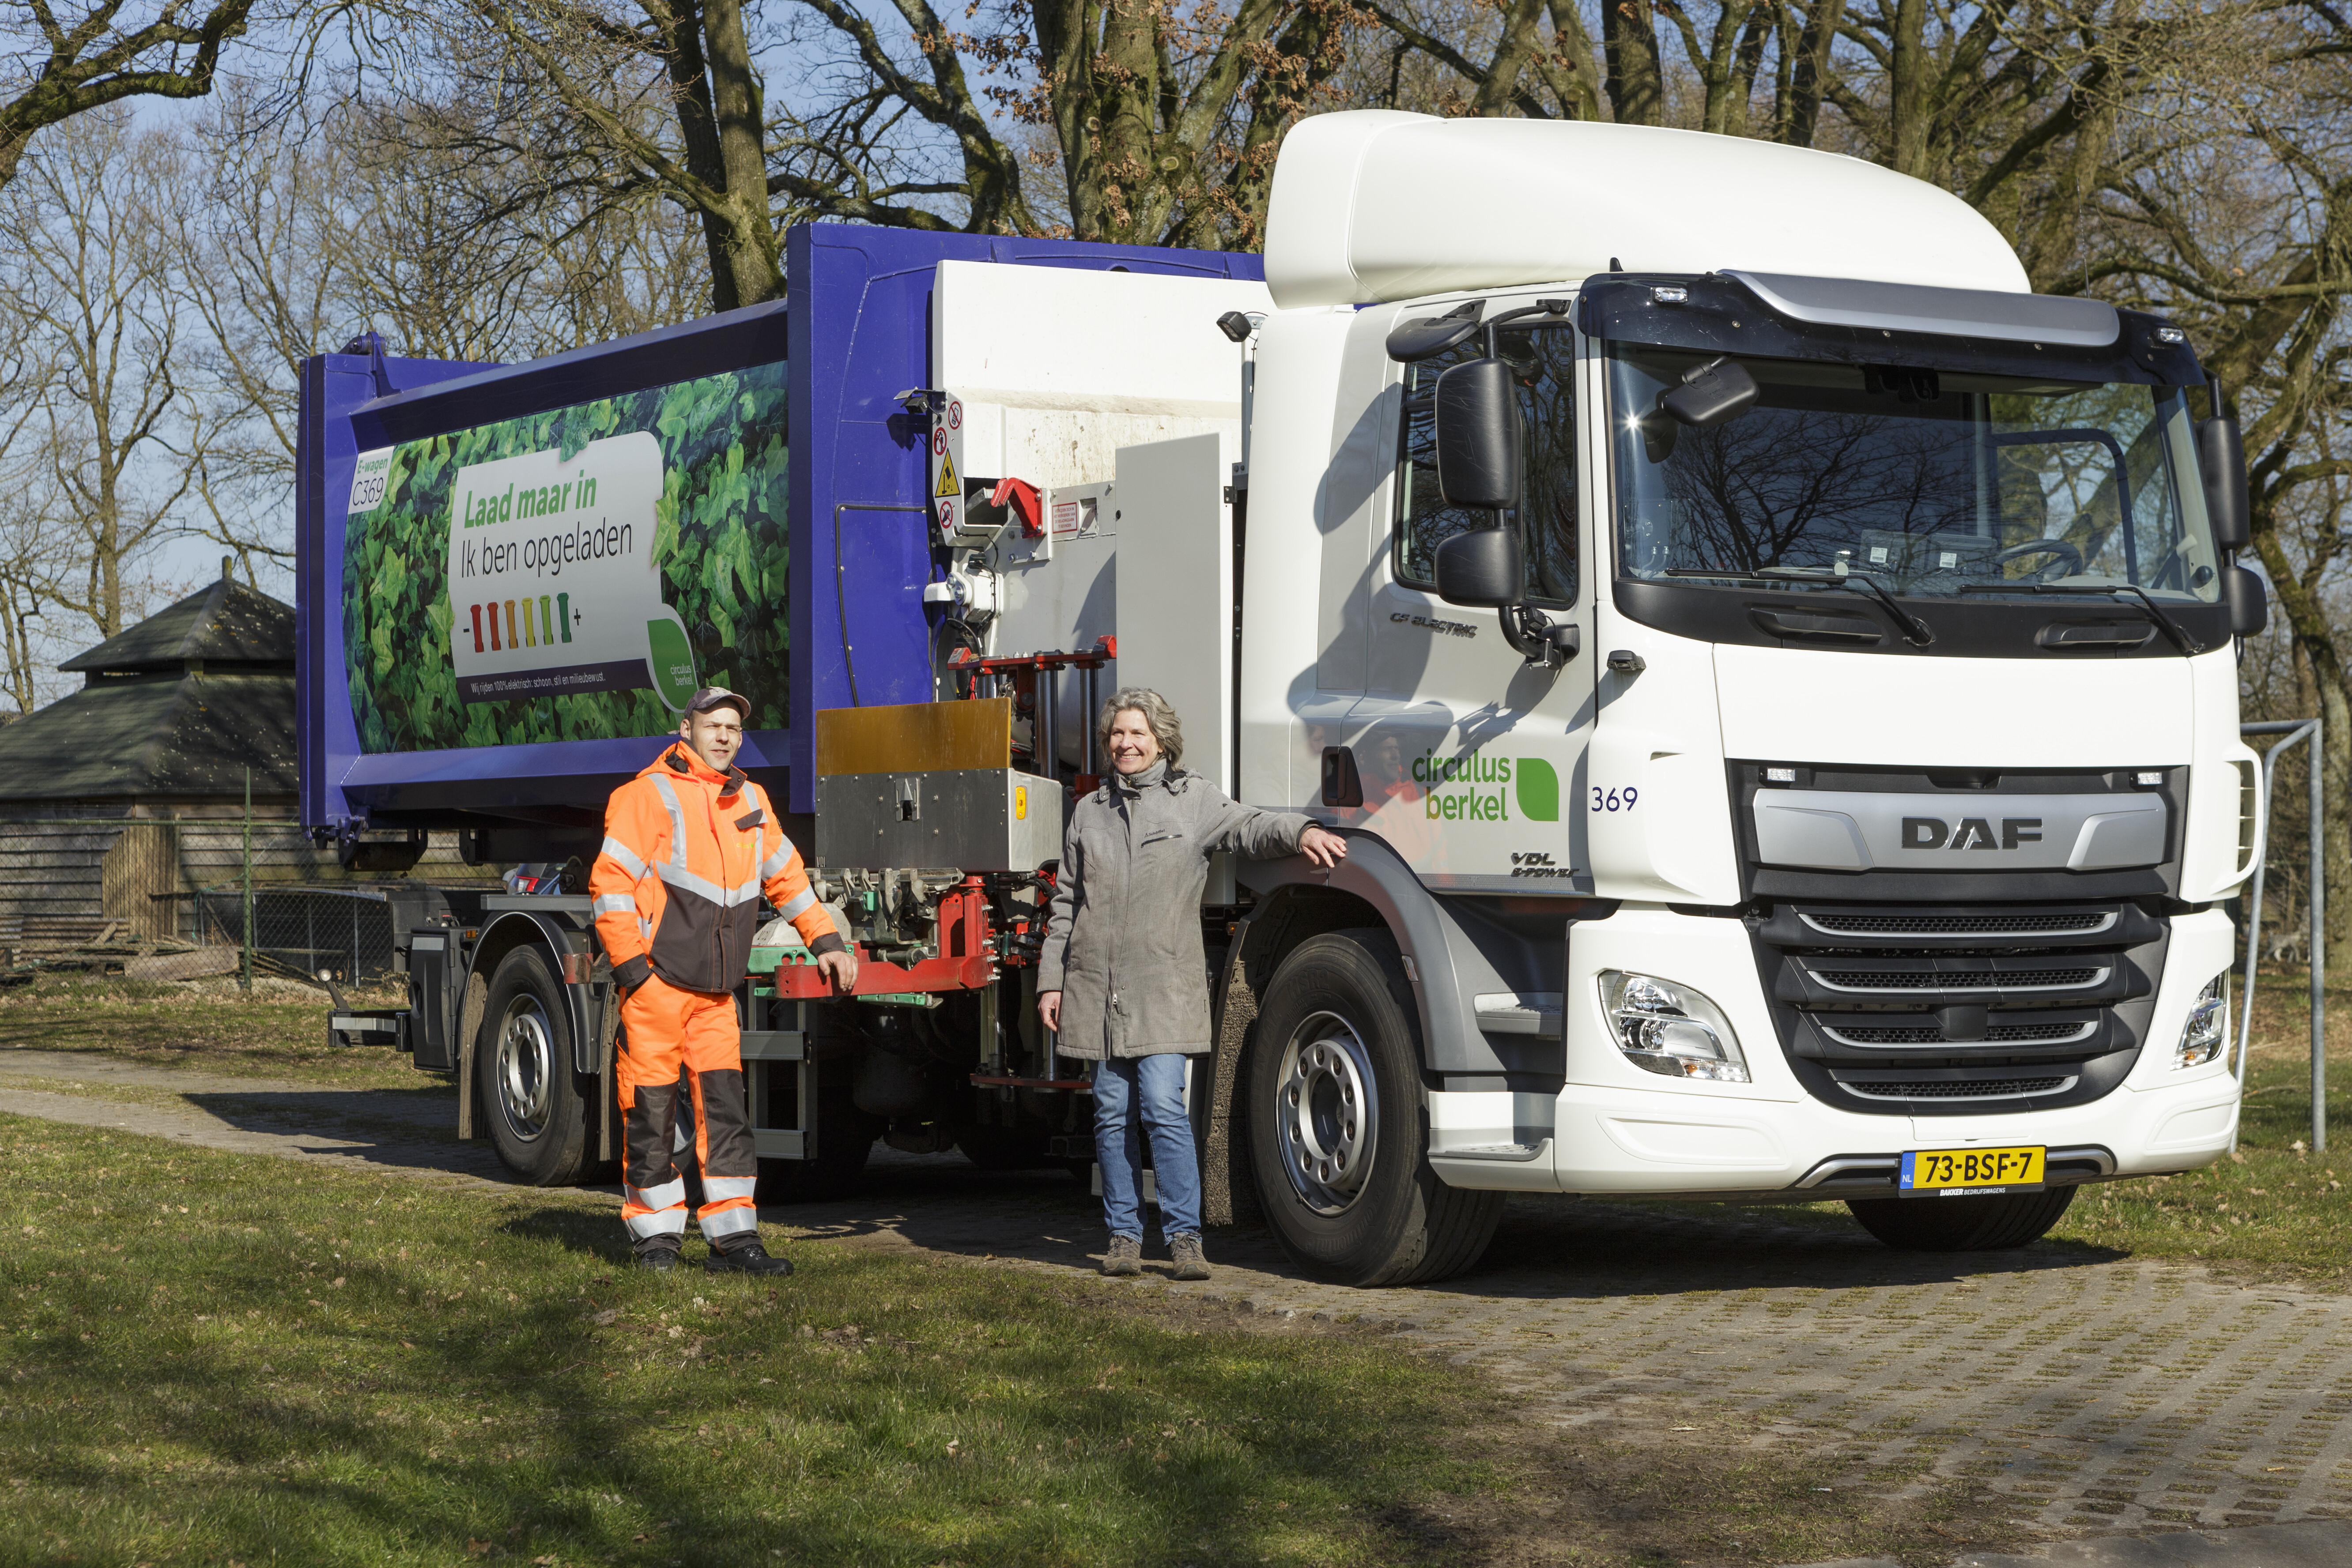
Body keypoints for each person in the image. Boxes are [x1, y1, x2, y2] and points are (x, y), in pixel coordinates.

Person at [1036, 688, 1347, 1280]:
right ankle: (1124, 1238)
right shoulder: (1089, 812)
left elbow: (1251, 826)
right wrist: (1052, 981)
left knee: (1162, 1108)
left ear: (1161, 741)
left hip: (1163, 987)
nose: (1126, 744)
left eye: (1137, 733)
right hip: (1097, 989)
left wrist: (1302, 831)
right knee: (1110, 1113)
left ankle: (1184, 1238)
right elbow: (1066, 905)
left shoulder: (1193, 799)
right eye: (1117, 734)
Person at [590, 687, 857, 1274]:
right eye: (713, 725)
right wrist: (636, 973)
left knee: (727, 1117)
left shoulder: (751, 800)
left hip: (716, 997)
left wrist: (828, 942)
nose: (725, 736)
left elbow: (788, 879)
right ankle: (656, 1242)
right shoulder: (645, 795)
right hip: (659, 989)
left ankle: (735, 1240)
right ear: (685, 730)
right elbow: (610, 886)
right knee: (651, 1117)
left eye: (734, 728)